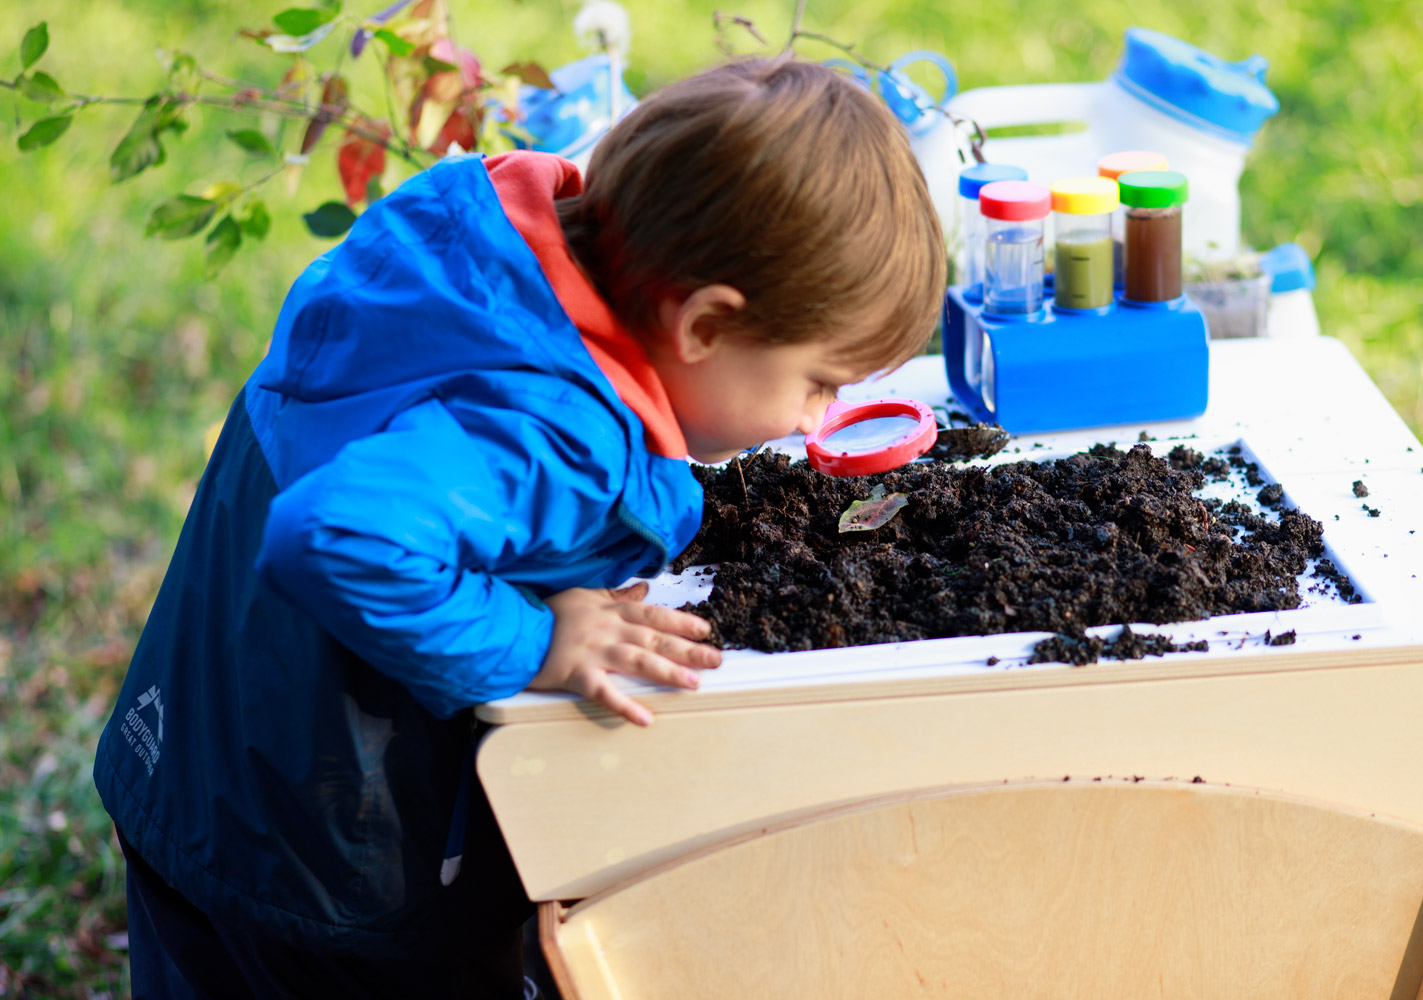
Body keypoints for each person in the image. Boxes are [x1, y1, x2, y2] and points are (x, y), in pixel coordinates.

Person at [94, 56, 945, 997]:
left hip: (201, 751)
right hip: (325, 863)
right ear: (704, 325)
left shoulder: (483, 250)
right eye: (819, 383)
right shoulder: (555, 431)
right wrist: (538, 639)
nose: (817, 416)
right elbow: (336, 534)